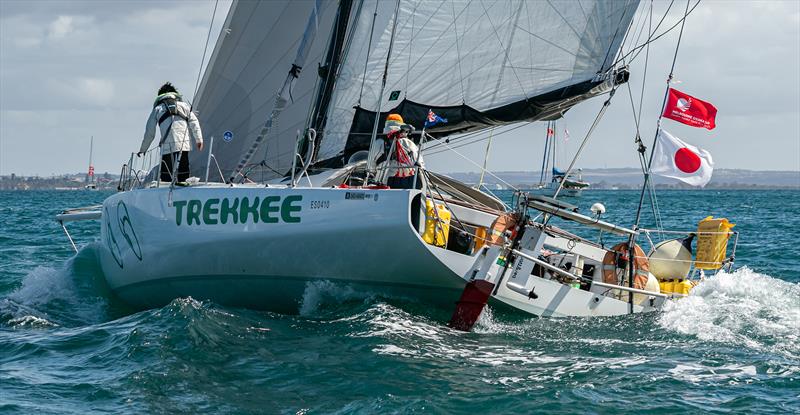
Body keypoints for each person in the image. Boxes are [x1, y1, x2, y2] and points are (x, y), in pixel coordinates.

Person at [139, 82, 203, 183]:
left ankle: (166, 191)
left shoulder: (158, 109)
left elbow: (149, 132)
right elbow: (194, 123)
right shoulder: (184, 106)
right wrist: (199, 140)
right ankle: (184, 188)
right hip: (184, 145)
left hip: (167, 147)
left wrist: (143, 149)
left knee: (166, 177)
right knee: (183, 174)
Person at [380, 114, 424, 189]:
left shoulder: (380, 142)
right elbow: (418, 162)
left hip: (386, 180)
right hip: (404, 181)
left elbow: (373, 165)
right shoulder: (407, 142)